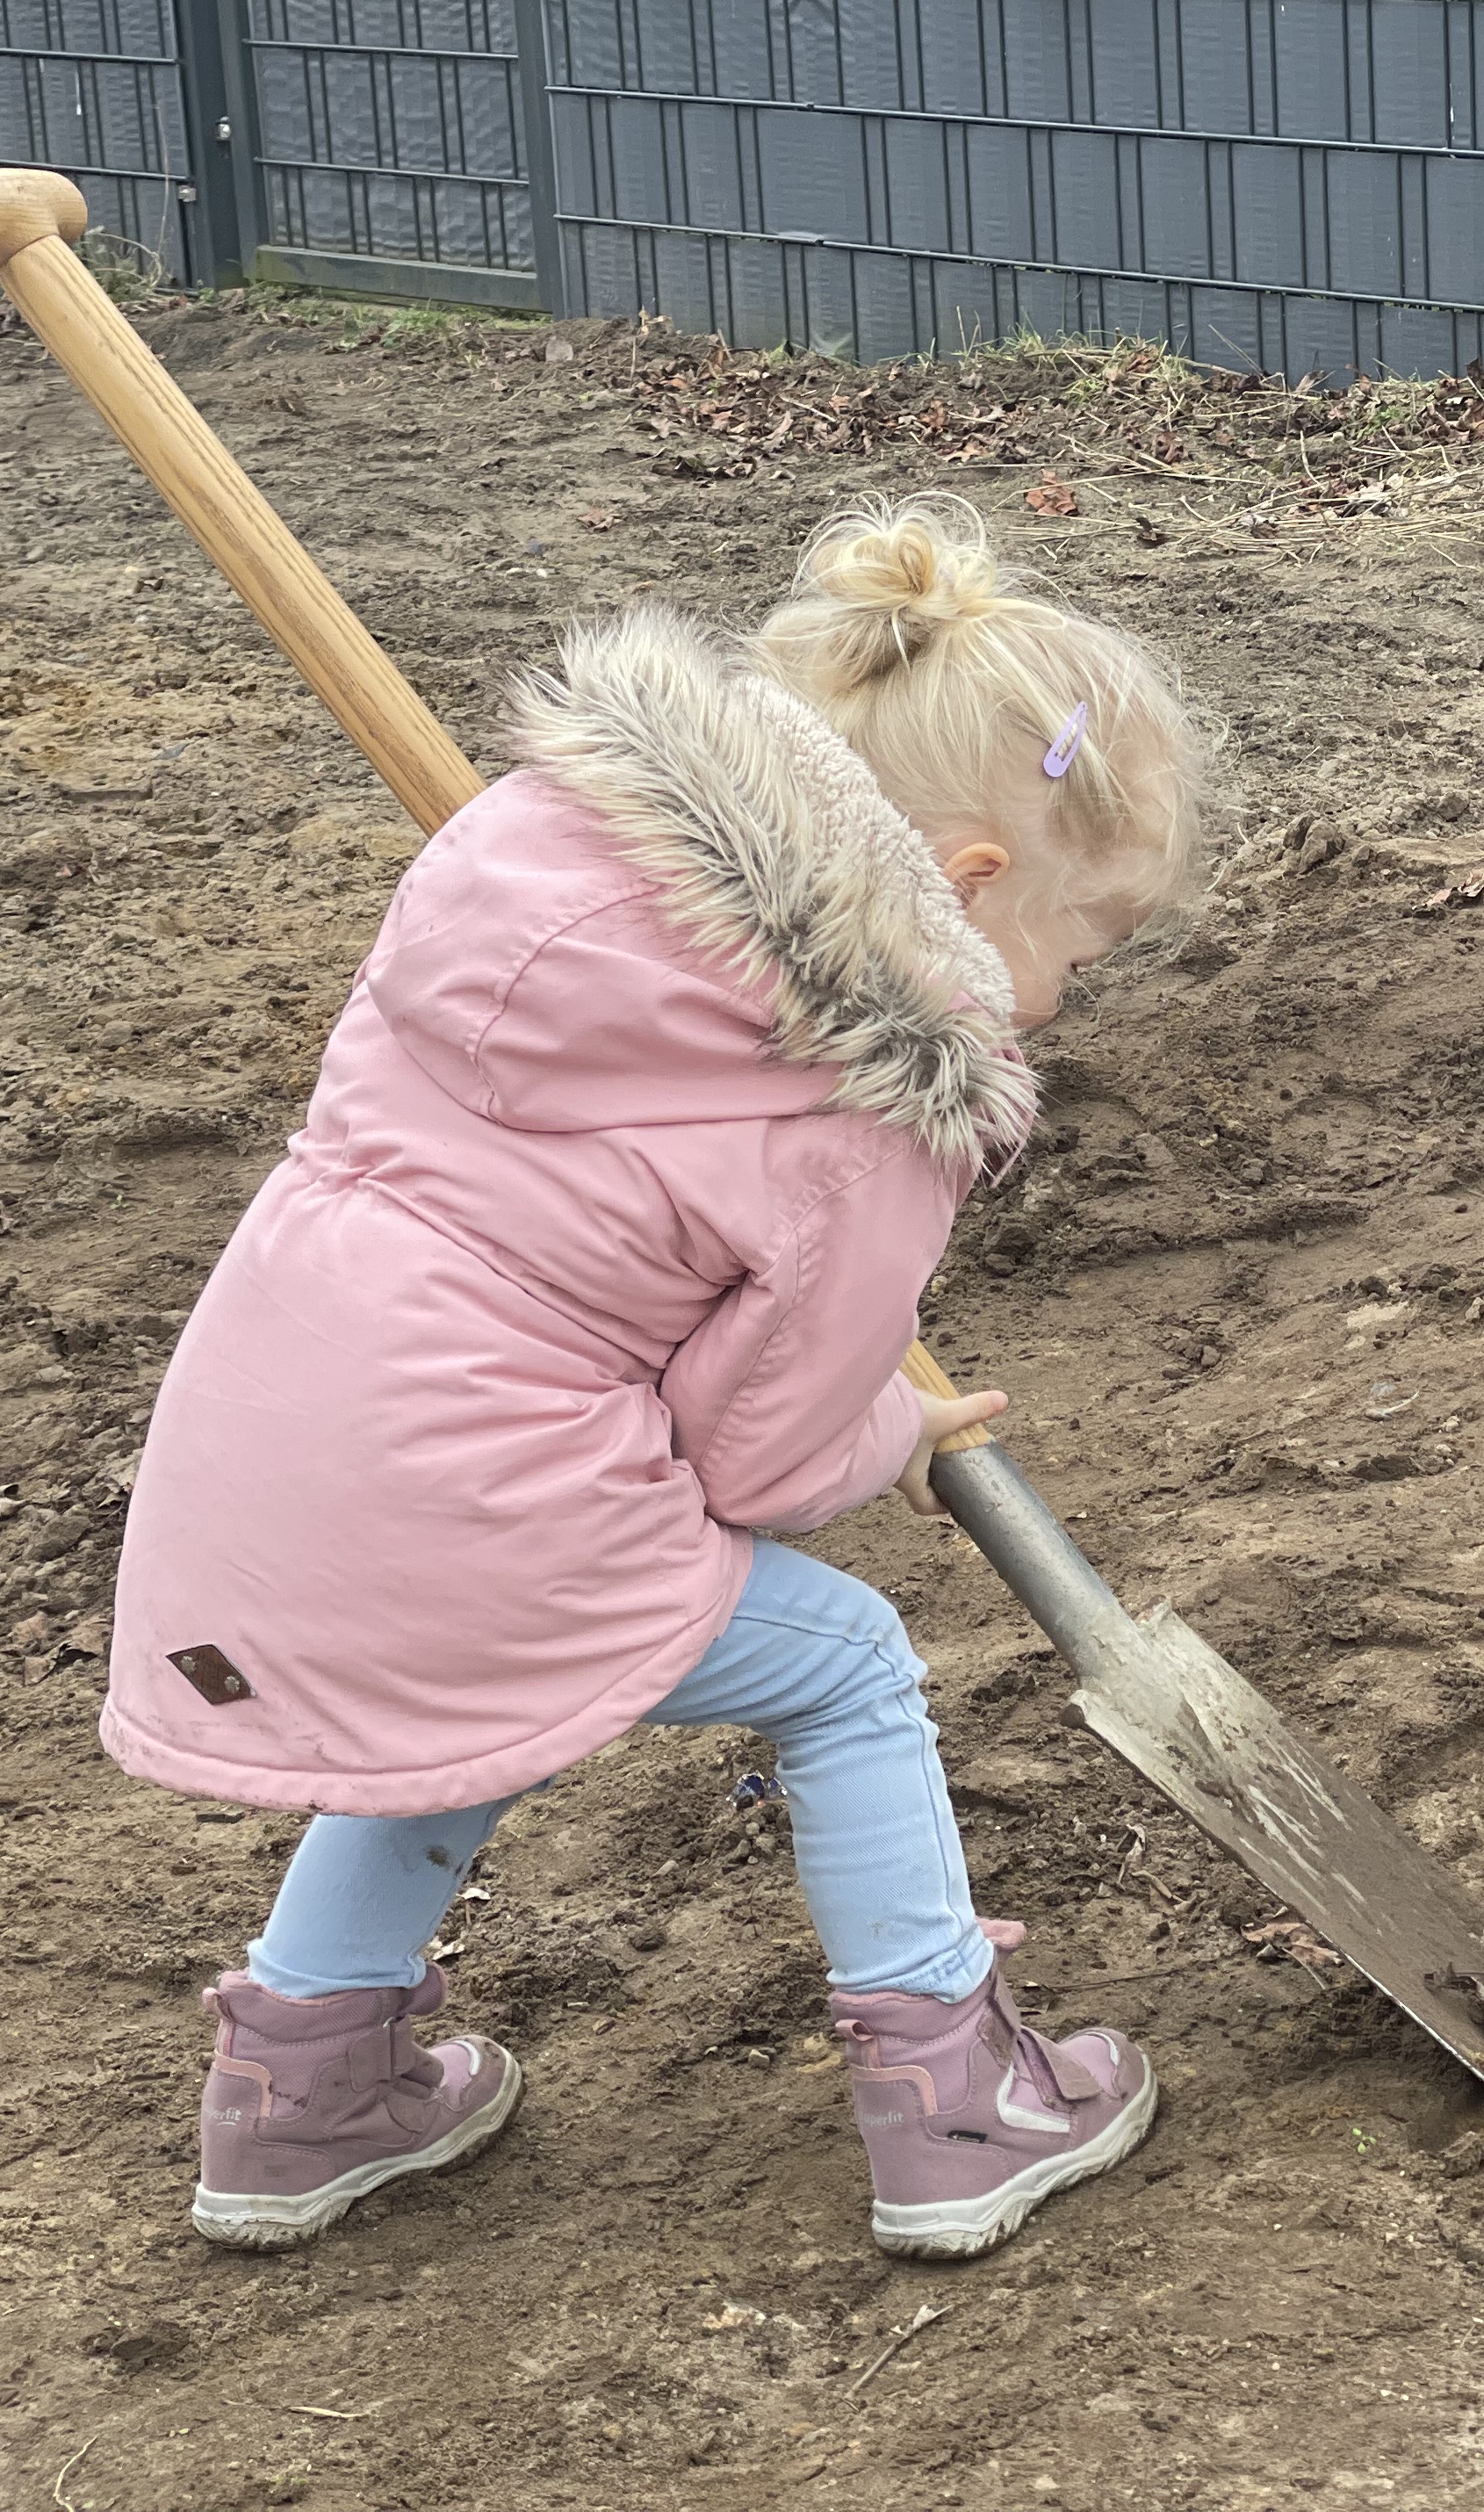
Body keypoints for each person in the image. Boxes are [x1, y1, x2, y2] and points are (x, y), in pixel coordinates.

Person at [99, 494, 1214, 2258]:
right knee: (841, 1662)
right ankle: (955, 2102)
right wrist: (888, 1426)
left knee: (467, 1699)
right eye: (1081, 959)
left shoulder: (537, 870)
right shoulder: (875, 1117)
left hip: (267, 1437)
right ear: (973, 883)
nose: (1062, 1007)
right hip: (480, 1490)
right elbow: (755, 1457)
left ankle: (299, 2094)